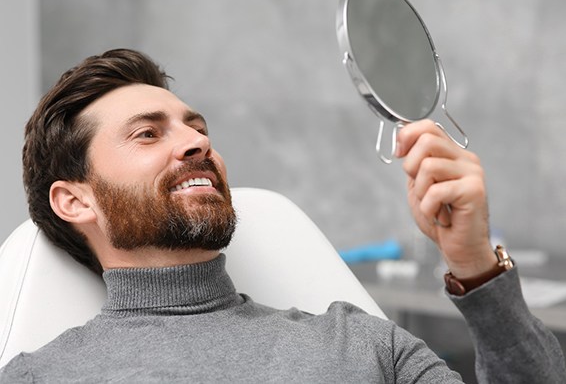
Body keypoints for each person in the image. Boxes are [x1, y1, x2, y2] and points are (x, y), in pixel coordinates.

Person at [0, 48, 564, 383]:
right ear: (75, 201)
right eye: (148, 133)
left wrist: (474, 264)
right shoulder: (38, 376)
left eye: (197, 128)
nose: (197, 144)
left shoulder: (363, 347)